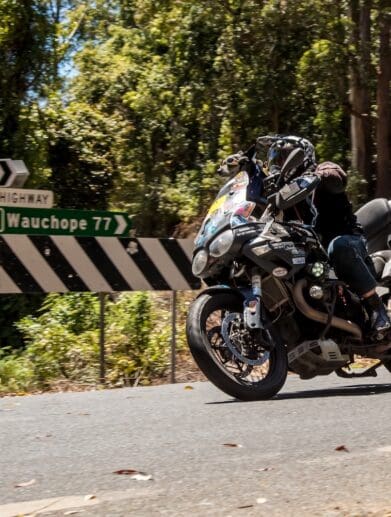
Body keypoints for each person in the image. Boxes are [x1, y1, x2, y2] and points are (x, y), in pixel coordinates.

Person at [220, 135, 391, 336]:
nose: (279, 164)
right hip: (313, 253)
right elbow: (257, 197)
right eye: (276, 159)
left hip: (349, 242)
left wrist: (318, 176)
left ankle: (377, 309)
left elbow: (336, 179)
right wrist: (249, 168)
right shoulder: (284, 197)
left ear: (301, 156)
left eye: (284, 158)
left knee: (339, 246)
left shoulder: (320, 172)